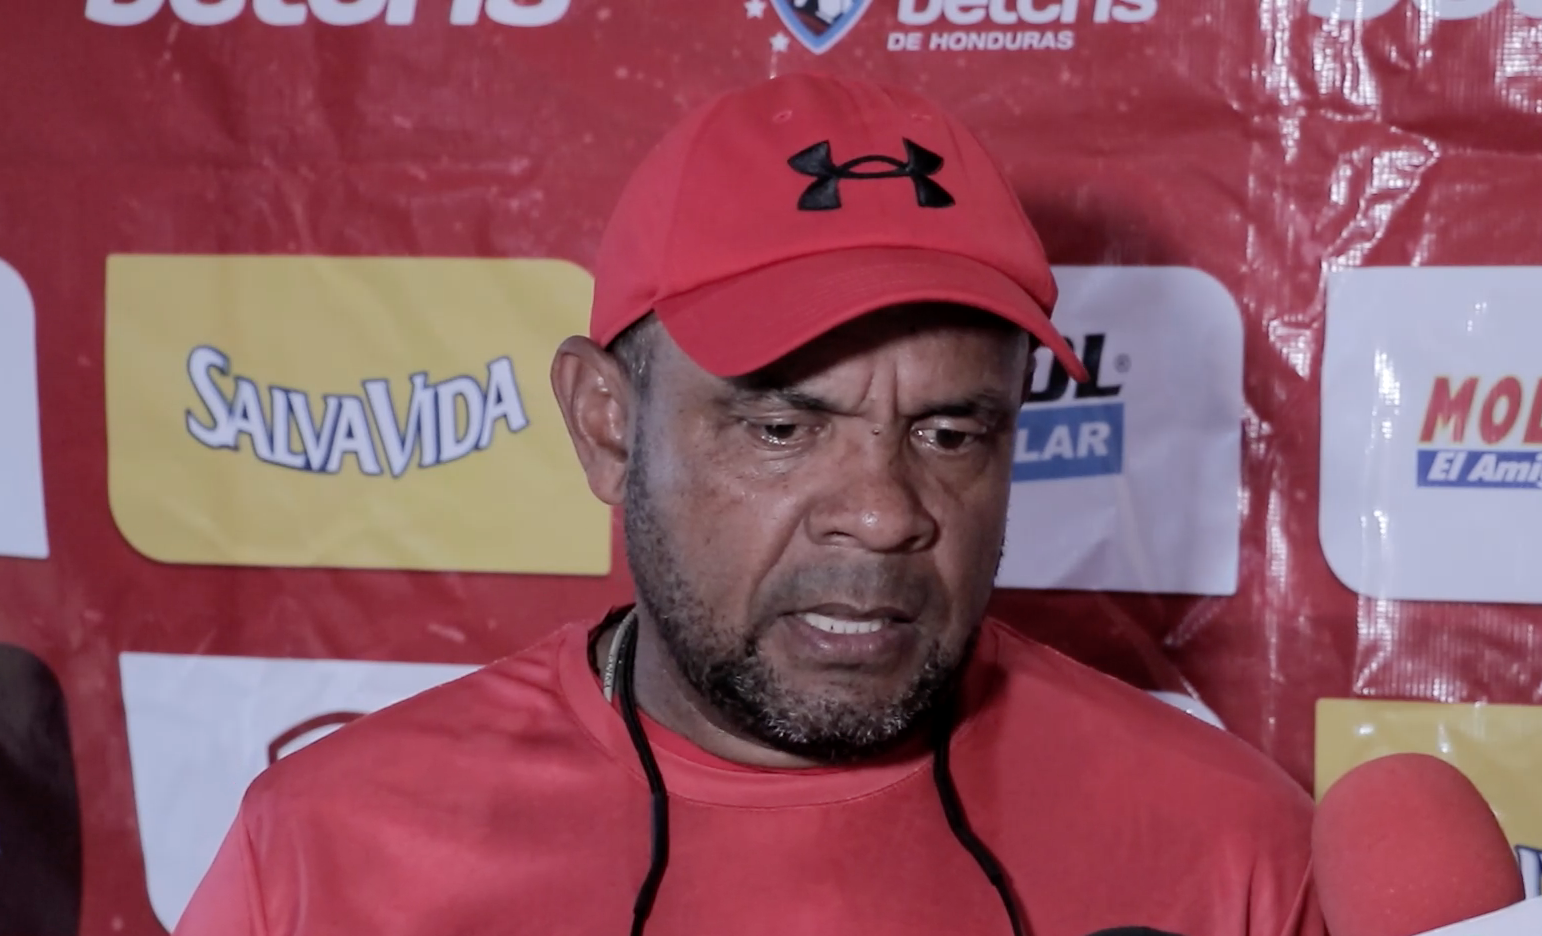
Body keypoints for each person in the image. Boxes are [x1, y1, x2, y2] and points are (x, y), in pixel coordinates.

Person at [174, 72, 1323, 936]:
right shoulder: (330, 854)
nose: (883, 513)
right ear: (606, 426)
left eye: (950, 433)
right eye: (783, 428)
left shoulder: (1230, 849)